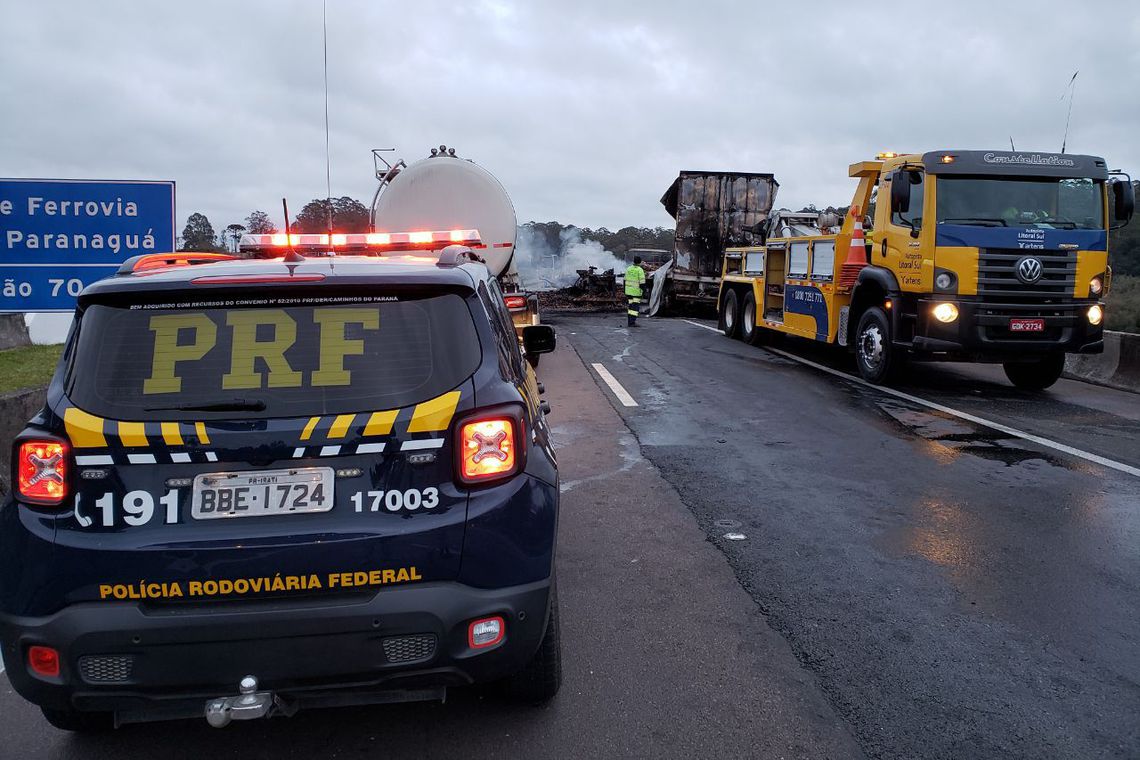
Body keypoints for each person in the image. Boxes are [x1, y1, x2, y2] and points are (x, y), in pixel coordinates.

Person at [624, 256, 647, 327]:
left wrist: (624, 290)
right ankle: (632, 323)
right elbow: (642, 283)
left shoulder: (628, 268)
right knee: (635, 308)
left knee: (630, 307)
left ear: (633, 261)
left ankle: (629, 322)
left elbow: (624, 280)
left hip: (628, 292)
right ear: (640, 262)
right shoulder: (640, 270)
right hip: (636, 293)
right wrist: (644, 291)